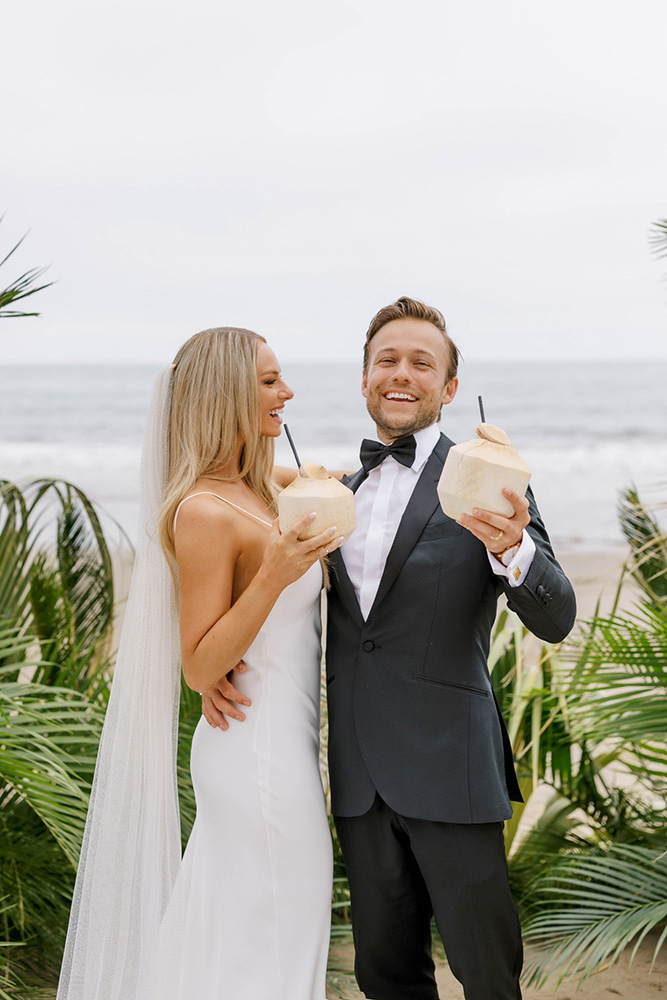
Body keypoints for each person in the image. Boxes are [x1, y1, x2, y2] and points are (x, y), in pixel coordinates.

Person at [204, 298, 577, 1000]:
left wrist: (513, 548)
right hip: (356, 777)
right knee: (385, 976)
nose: (400, 374)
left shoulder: (487, 481)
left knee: (486, 972)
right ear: (365, 377)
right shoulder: (328, 491)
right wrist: (210, 666)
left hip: (452, 769)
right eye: (386, 360)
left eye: (420, 363)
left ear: (448, 388)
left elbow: (556, 617)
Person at [57, 327, 341, 1000]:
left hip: (283, 750)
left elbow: (323, 480)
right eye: (269, 381)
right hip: (256, 757)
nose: (287, 392)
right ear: (226, 396)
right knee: (274, 944)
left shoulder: (257, 486)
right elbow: (198, 663)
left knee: (247, 941)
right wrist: (273, 573)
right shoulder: (204, 511)